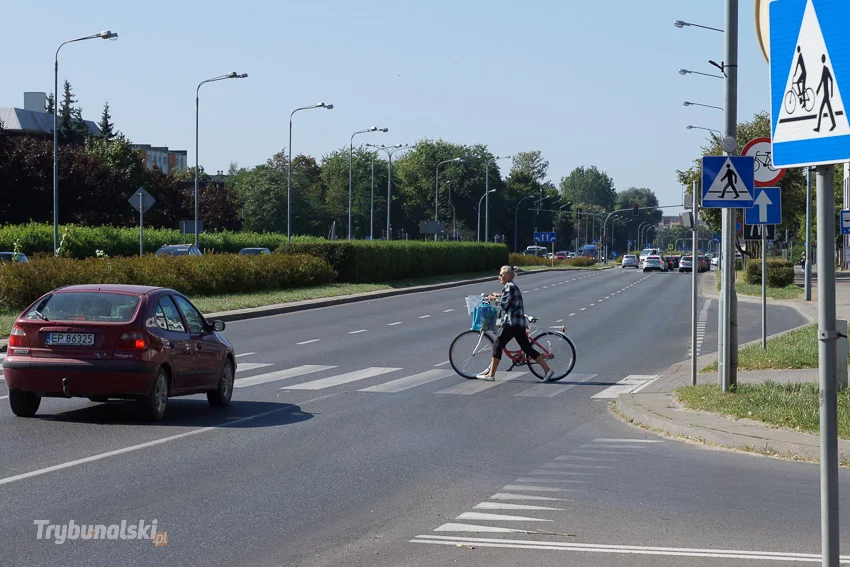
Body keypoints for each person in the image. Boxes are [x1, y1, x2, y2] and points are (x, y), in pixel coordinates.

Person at [476, 265, 554, 382]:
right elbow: (508, 300)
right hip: (517, 323)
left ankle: (491, 374)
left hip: (513, 323)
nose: (499, 277)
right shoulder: (510, 287)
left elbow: (505, 305)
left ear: (508, 276)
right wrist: (499, 296)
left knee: (497, 345)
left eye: (501, 275)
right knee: (527, 348)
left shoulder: (510, 287)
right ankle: (547, 370)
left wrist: (493, 299)